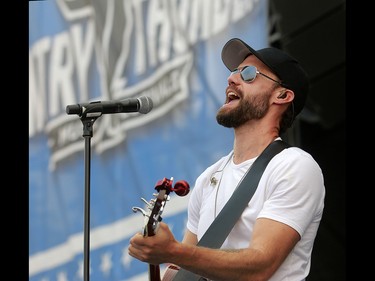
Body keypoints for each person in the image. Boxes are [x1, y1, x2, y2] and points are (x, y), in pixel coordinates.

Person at [128, 38, 325, 281]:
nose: (231, 79)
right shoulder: (209, 177)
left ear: (282, 95)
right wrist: (165, 260)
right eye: (234, 72)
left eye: (249, 74)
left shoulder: (293, 166)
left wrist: (173, 251)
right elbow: (184, 269)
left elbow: (260, 267)